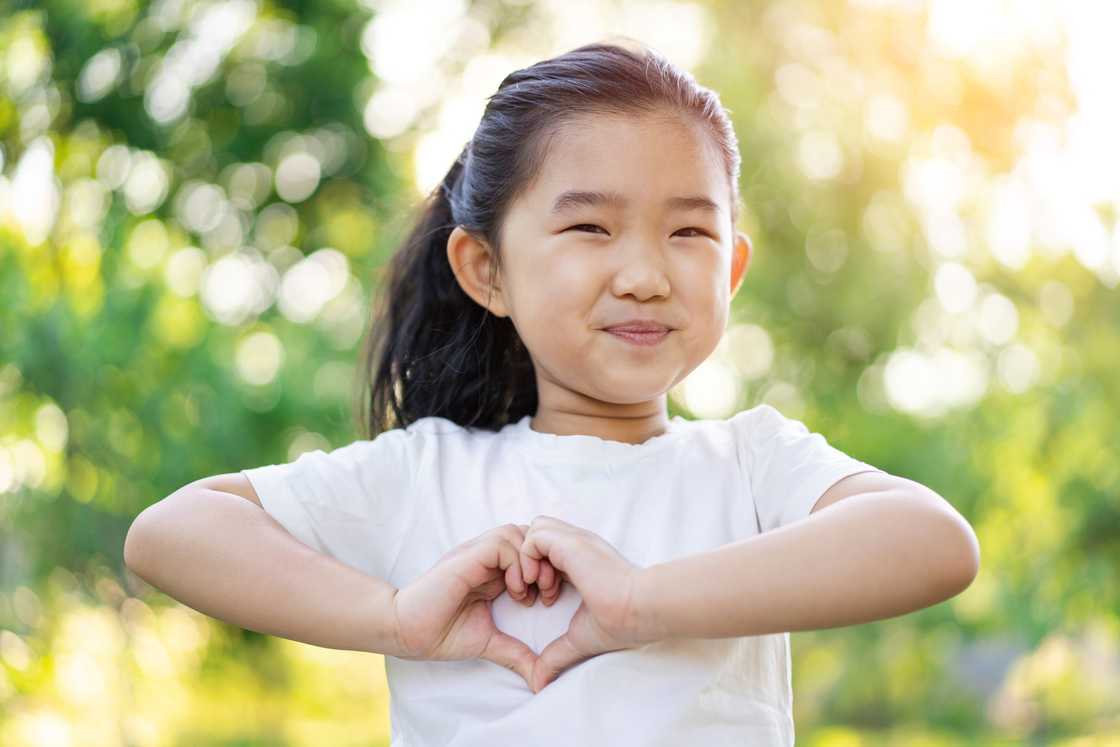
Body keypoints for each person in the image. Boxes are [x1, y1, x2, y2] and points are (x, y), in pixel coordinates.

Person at [124, 38, 981, 747]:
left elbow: (933, 542)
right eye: (589, 227)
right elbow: (171, 534)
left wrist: (643, 603)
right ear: (486, 268)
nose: (645, 274)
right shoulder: (429, 474)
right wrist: (396, 618)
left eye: (689, 230)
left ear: (734, 266)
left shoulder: (751, 464)